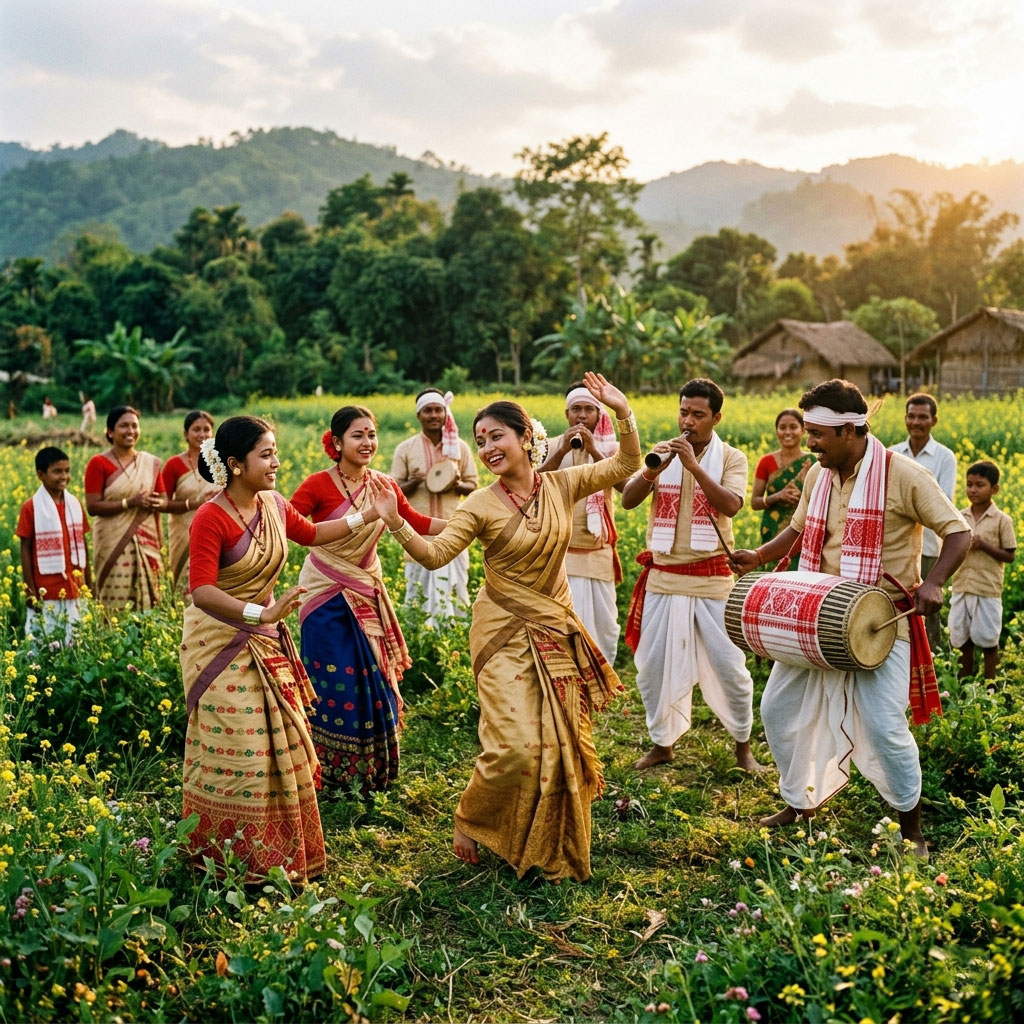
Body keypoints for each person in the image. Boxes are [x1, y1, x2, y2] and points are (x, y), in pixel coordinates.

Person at [368, 372, 641, 882]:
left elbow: (628, 464)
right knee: (513, 746)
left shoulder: (562, 485)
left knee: (557, 743)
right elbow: (434, 555)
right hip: (501, 633)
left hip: (553, 627)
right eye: (481, 441)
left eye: (497, 436)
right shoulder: (480, 504)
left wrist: (621, 412)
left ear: (526, 439)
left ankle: (541, 842)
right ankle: (471, 818)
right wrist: (395, 519)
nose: (488, 448)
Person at [730, 379, 970, 859]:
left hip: (880, 625)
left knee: (884, 727)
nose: (810, 442)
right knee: (776, 710)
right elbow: (798, 531)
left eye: (818, 434)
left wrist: (935, 581)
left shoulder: (904, 475)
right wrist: (758, 555)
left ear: (849, 430)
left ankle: (912, 832)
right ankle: (801, 805)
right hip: (816, 620)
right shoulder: (819, 476)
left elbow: (958, 532)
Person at [181, 416, 377, 883]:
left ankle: (280, 855)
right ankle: (226, 862)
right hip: (218, 644)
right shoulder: (212, 517)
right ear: (235, 464)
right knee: (242, 753)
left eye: (275, 452)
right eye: (266, 454)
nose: (276, 462)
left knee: (282, 746)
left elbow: (311, 533)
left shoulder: (272, 503)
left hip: (264, 642)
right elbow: (201, 591)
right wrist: (260, 615)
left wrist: (367, 515)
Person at [292, 406, 444, 797]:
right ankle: (329, 774)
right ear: (337, 442)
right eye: (358, 435)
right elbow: (294, 528)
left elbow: (418, 524)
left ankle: (374, 770)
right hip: (323, 598)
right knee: (333, 682)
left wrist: (478, 520)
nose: (367, 443)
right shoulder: (317, 485)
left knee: (374, 678)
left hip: (365, 595)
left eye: (372, 434)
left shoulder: (384, 485)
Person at [621, 378, 762, 773]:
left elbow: (732, 505)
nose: (688, 421)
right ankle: (662, 744)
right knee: (652, 668)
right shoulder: (662, 452)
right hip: (664, 579)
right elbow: (629, 500)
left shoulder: (732, 458)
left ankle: (742, 748)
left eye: (698, 414)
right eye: (684, 412)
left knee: (730, 668)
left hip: (712, 579)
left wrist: (693, 467)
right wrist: (653, 469)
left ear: (716, 417)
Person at [538, 381, 624, 664]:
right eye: (577, 409)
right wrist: (561, 450)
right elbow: (532, 486)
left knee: (604, 626)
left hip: (597, 552)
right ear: (567, 414)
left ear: (599, 414)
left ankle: (601, 679)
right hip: (558, 553)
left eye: (589, 409)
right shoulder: (548, 446)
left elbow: (625, 487)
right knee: (561, 624)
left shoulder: (612, 449)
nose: (582, 416)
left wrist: (595, 451)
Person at [390, 388, 477, 624]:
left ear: (445, 413)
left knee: (456, 595)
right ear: (419, 415)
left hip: (453, 534)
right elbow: (392, 490)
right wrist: (413, 483)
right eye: (427, 411)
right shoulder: (405, 449)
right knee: (417, 598)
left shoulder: (460, 448)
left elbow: (473, 484)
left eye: (438, 410)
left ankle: (453, 636)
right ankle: (420, 640)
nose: (433, 415)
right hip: (417, 537)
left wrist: (456, 484)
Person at [888, 393, 957, 650]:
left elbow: (943, 502)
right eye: (911, 416)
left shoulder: (945, 457)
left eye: (923, 417)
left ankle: (935, 661)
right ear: (905, 418)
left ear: (934, 420)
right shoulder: (891, 453)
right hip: (895, 548)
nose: (916, 422)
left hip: (929, 547)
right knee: (896, 606)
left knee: (928, 609)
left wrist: (903, 510)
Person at [84, 406, 166, 611]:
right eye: (124, 426)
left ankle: (147, 636)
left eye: (134, 426)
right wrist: (129, 503)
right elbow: (93, 506)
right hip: (112, 539)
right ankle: (111, 636)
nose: (130, 431)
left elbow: (163, 500)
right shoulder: (98, 463)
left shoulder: (150, 462)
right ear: (110, 432)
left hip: (147, 538)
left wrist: (155, 502)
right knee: (114, 601)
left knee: (150, 599)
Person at [16, 446, 90, 645]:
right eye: (57, 471)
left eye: (67, 471)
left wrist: (89, 584)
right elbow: (25, 549)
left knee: (76, 643)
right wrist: (30, 590)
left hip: (75, 587)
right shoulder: (31, 507)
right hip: (46, 590)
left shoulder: (74, 504)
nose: (64, 476)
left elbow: (83, 545)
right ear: (41, 474)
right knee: (44, 641)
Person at [950, 461, 1017, 680]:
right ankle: (963, 688)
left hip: (987, 589)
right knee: (962, 642)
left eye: (980, 485)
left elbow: (1010, 555)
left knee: (989, 642)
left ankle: (990, 688)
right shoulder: (959, 516)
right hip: (961, 587)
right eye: (969, 484)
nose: (973, 490)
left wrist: (983, 545)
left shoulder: (1002, 520)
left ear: (994, 489)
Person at [162, 410, 220, 597]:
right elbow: (162, 503)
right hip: (182, 531)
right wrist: (193, 503)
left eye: (206, 429)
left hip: (216, 529)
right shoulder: (174, 465)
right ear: (186, 434)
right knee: (182, 588)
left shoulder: (220, 463)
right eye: (196, 429)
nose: (202, 434)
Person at [750, 408, 814, 563]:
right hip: (772, 530)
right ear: (777, 431)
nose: (787, 432)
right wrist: (778, 496)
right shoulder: (766, 462)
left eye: (793, 427)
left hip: (803, 531)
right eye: (782, 427)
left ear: (803, 430)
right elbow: (755, 503)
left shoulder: (813, 463)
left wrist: (803, 499)